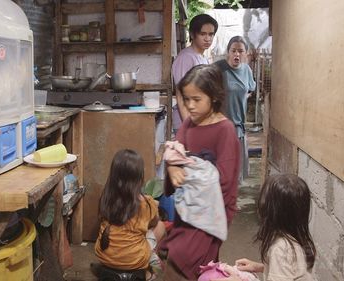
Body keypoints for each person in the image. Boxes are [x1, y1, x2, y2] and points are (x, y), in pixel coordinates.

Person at [159, 64, 241, 280]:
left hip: (210, 213)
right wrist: (173, 166)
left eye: (197, 99)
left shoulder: (225, 130)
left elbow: (224, 180)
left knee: (190, 260)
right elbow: (175, 150)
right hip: (187, 208)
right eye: (186, 99)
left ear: (213, 97)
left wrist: (186, 170)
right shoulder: (189, 124)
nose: (190, 106)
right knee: (179, 257)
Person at [213, 174, 316, 281]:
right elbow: (289, 271)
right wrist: (261, 267)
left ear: (270, 212)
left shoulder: (281, 249)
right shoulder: (295, 239)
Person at [94, 149, 166, 280]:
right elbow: (154, 223)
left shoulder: (105, 198)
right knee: (161, 226)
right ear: (139, 177)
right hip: (135, 261)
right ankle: (150, 271)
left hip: (104, 257)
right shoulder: (147, 203)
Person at [215, 36, 256, 181]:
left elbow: (250, 88)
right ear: (228, 52)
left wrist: (242, 96)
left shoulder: (246, 70)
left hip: (239, 129)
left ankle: (230, 202)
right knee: (221, 172)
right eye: (233, 50)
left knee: (235, 173)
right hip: (221, 128)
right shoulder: (218, 68)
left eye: (240, 51)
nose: (237, 54)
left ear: (245, 53)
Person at [172, 14, 218, 134]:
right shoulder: (186, 57)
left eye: (211, 34)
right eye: (203, 34)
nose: (208, 38)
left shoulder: (203, 58)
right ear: (192, 34)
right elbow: (181, 94)